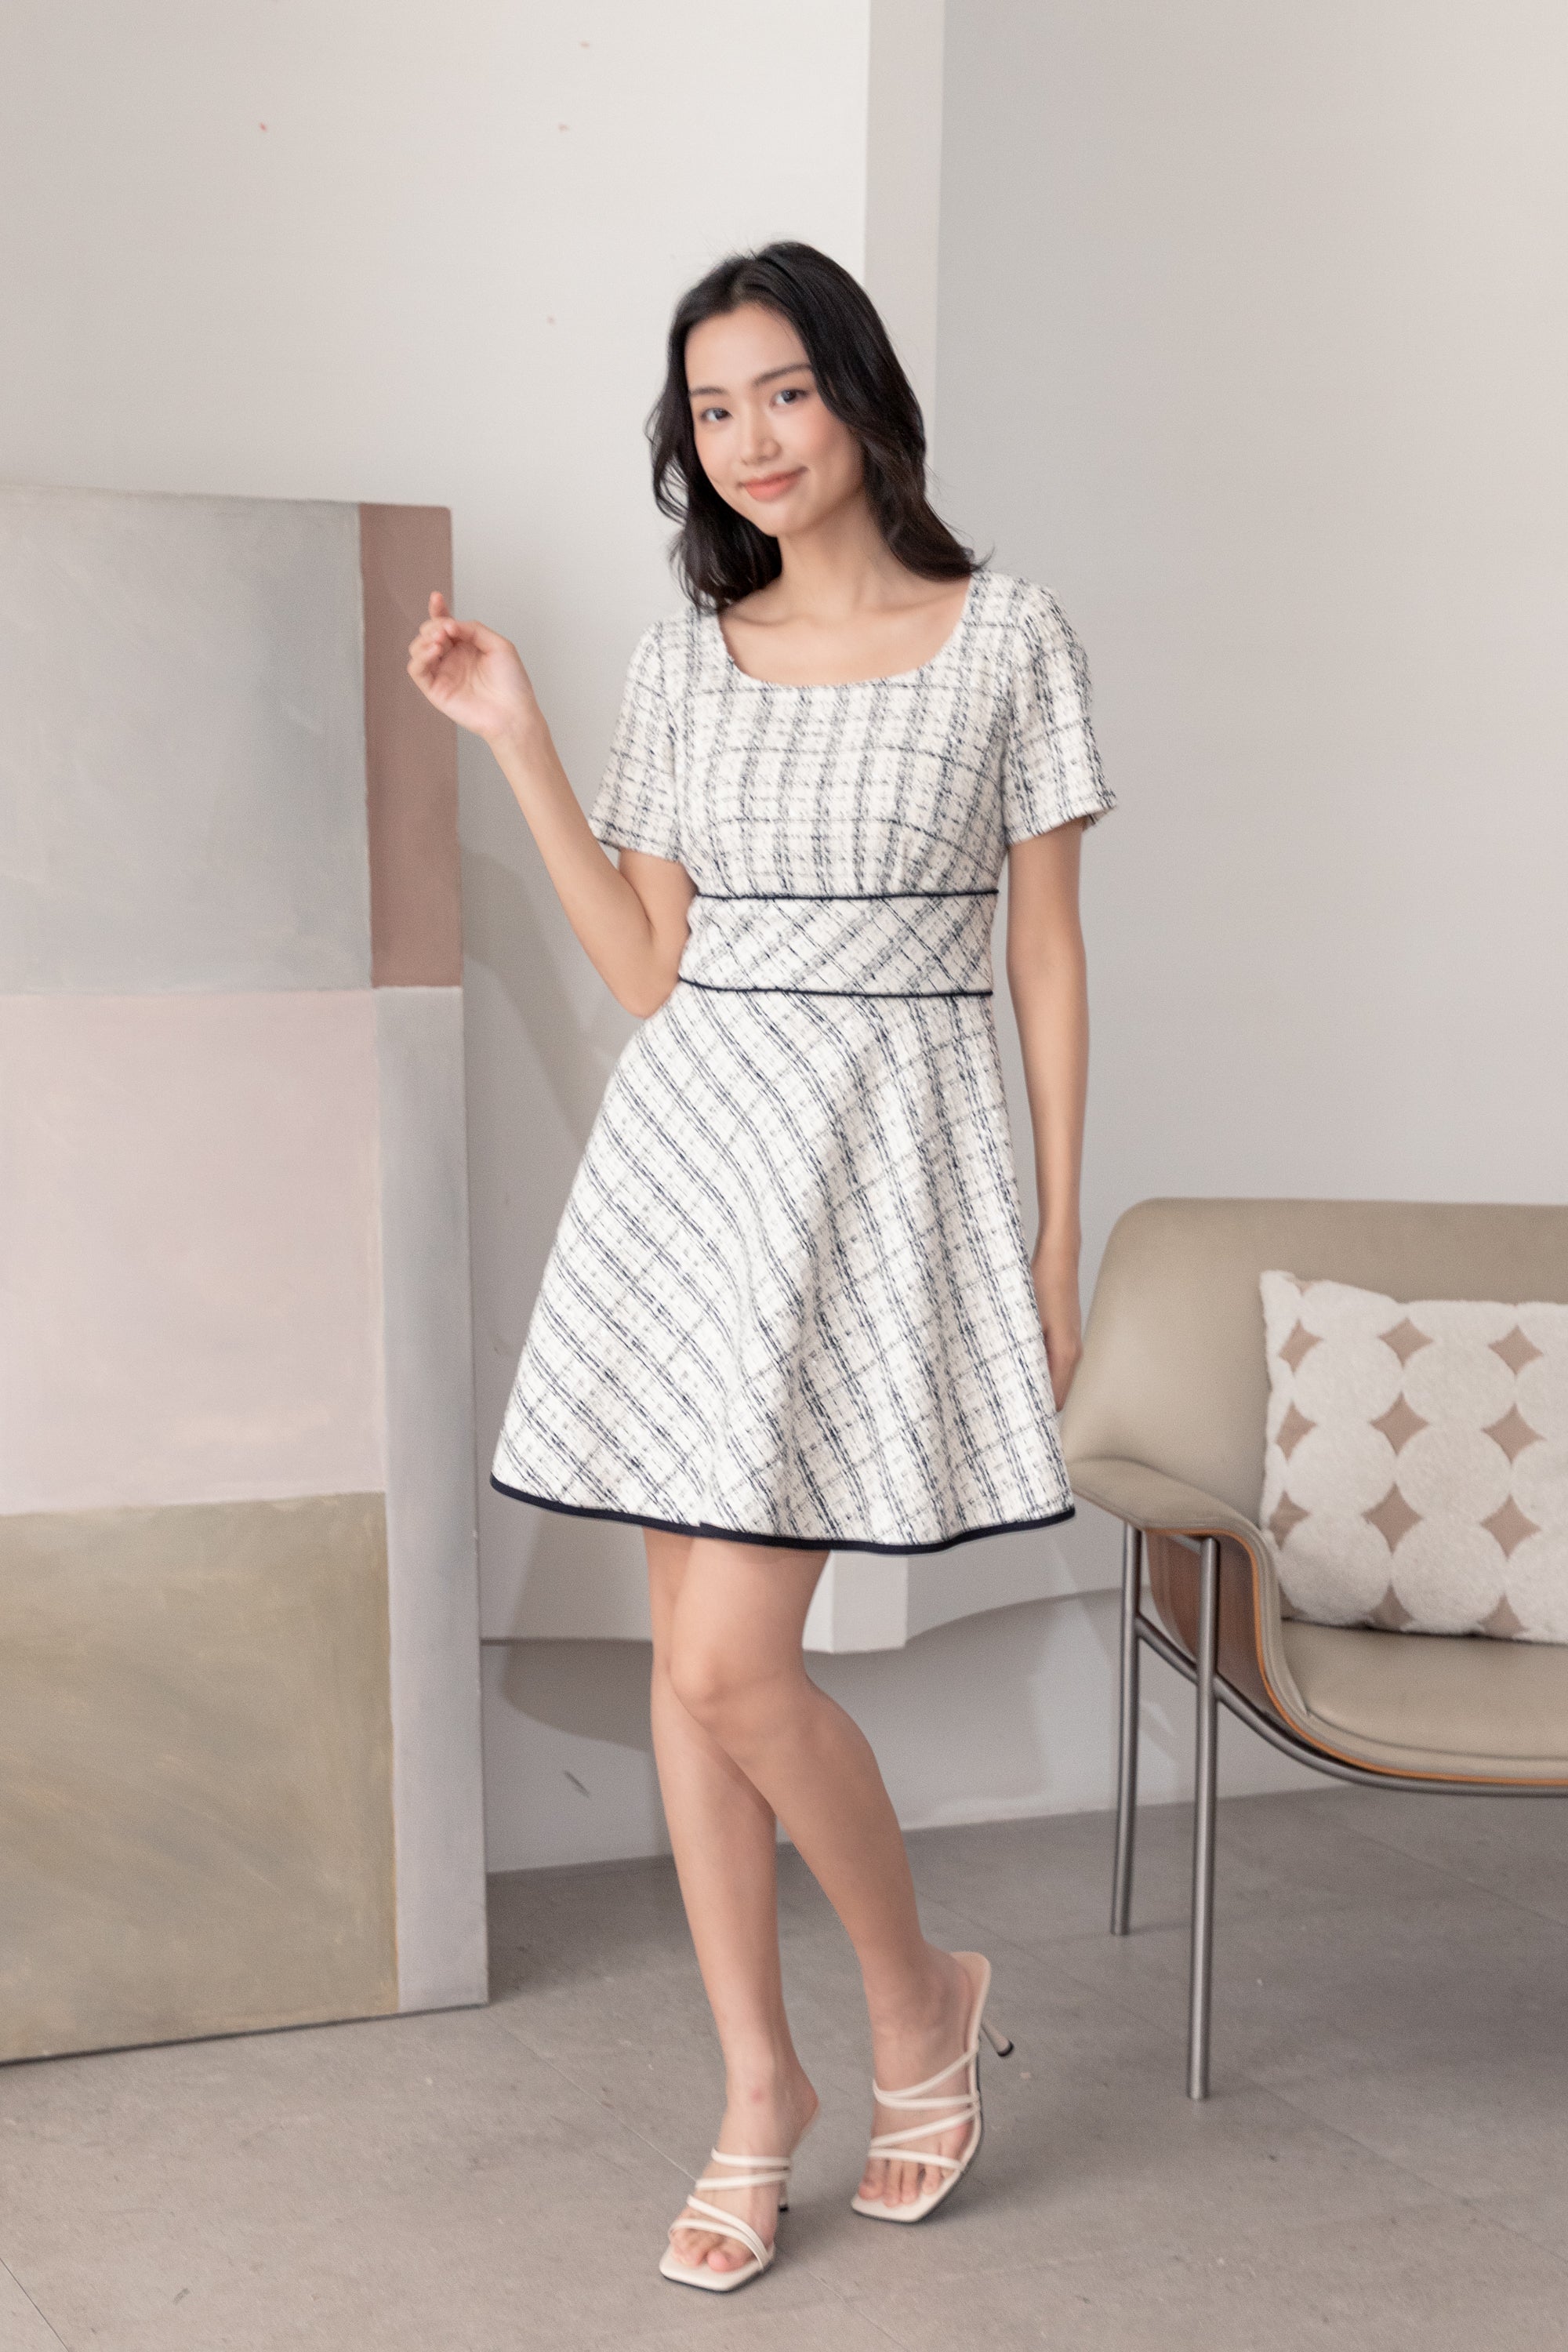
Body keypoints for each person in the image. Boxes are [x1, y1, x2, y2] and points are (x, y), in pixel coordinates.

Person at [407, 239, 1116, 2295]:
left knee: (732, 1665)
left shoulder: (1010, 639)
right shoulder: (682, 666)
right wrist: (516, 733)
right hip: (690, 1172)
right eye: (712, 412)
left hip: (884, 1176)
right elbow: (648, 971)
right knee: (690, 1674)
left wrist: (1055, 1230)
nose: (750, 441)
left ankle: (916, 2000)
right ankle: (754, 2093)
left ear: (861, 394)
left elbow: (1047, 958)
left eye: (783, 393)